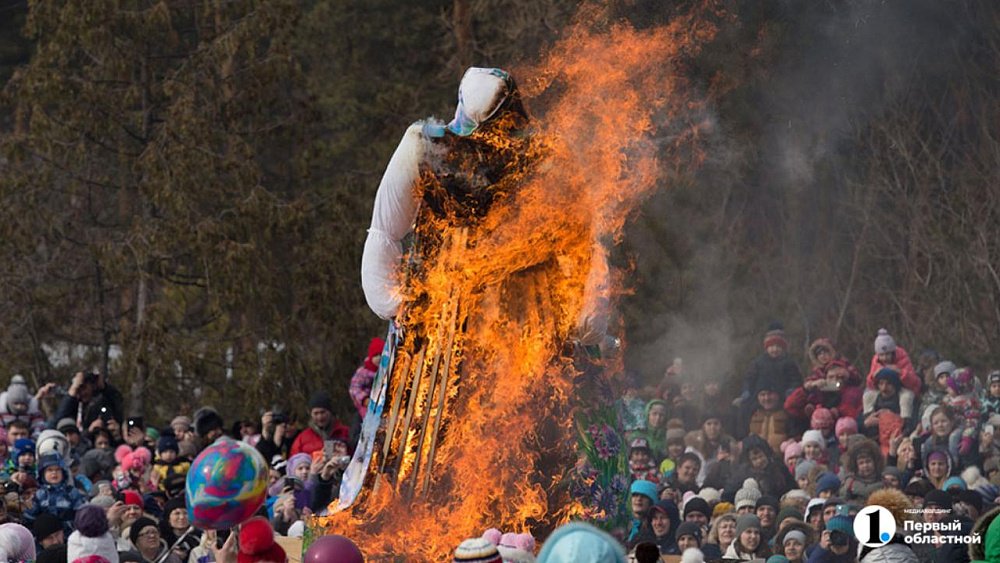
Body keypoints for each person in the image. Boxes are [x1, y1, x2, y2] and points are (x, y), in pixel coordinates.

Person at [22, 453, 86, 533]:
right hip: (46, 536)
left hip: (68, 534)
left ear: (63, 472)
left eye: (58, 470)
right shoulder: (39, 495)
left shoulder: (71, 492)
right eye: (50, 470)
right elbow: (30, 518)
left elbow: (82, 514)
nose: (54, 473)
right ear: (42, 474)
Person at [51, 371, 125, 431]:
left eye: (84, 388)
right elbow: (57, 421)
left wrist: (104, 387)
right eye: (78, 389)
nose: (81, 393)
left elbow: (116, 401)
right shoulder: (72, 406)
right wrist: (72, 392)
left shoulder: (101, 403)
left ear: (92, 386)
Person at [289, 391, 349, 457]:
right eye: (316, 413)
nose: (320, 417)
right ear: (311, 414)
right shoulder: (302, 439)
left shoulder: (345, 432)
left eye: (323, 412)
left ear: (330, 412)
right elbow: (294, 462)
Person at [865, 329, 920, 393]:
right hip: (882, 391)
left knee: (906, 398)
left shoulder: (902, 357)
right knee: (867, 396)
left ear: (892, 353)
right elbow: (870, 385)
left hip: (901, 389)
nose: (885, 358)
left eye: (888, 354)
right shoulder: (875, 361)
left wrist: (900, 372)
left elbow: (914, 383)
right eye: (881, 355)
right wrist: (873, 376)